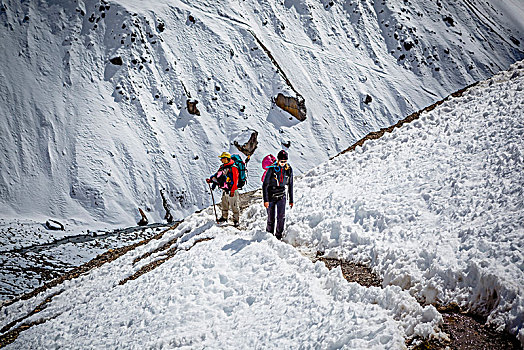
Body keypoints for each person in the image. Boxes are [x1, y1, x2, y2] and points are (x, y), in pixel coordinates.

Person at [262, 150, 293, 240]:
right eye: (281, 161)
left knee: (281, 217)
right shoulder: (271, 169)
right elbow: (265, 185)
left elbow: (290, 184)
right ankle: (269, 235)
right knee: (271, 218)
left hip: (282, 195)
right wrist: (266, 200)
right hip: (271, 194)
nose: (283, 163)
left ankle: (278, 235)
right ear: (278, 160)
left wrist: (291, 200)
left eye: (285, 161)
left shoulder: (288, 169)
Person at [206, 152, 240, 227]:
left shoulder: (233, 167)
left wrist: (233, 190)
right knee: (224, 204)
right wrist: (211, 180)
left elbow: (235, 180)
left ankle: (236, 220)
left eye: (222, 158)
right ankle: (224, 217)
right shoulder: (222, 167)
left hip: (232, 190)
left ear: (226, 159)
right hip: (225, 189)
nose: (221, 160)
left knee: (234, 205)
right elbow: (217, 176)